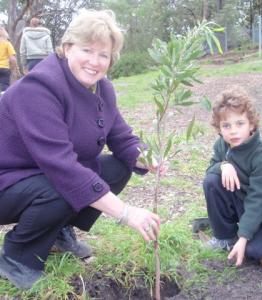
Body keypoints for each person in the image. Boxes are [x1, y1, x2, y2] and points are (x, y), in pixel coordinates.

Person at [0, 10, 165, 290]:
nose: (95, 61)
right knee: (63, 185)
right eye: (87, 50)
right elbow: (62, 167)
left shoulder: (102, 88)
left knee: (117, 168)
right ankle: (17, 256)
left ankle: (58, 231)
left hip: (39, 176)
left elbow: (121, 136)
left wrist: (147, 157)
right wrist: (125, 213)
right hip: (7, 183)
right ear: (67, 48)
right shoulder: (38, 89)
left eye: (104, 55)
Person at [203, 87, 262, 266]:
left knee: (254, 252)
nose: (233, 131)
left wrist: (244, 236)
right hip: (240, 203)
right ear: (219, 128)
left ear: (251, 124)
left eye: (240, 124)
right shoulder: (222, 145)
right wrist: (223, 165)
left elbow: (259, 200)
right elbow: (210, 170)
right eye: (226, 126)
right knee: (212, 181)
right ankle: (225, 237)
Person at [0, 26, 18, 92]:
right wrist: (15, 69)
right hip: (4, 67)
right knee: (5, 86)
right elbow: (12, 59)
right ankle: (4, 100)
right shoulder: (7, 44)